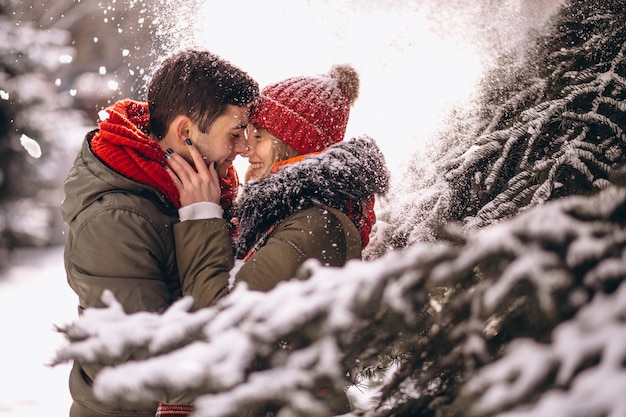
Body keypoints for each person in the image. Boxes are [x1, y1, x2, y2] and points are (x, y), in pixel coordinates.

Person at [165, 64, 390, 415]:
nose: (246, 149)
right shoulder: (288, 215)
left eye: (259, 137)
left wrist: (201, 217)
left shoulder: (315, 224)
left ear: (291, 143)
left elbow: (220, 320)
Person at [60, 48, 258, 417]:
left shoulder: (202, 185)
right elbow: (158, 364)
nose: (246, 147)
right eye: (236, 132)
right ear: (184, 132)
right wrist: (201, 221)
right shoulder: (115, 221)